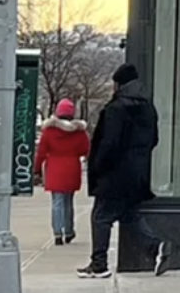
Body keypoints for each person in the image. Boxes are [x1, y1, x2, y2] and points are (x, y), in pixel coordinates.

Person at [78, 64, 169, 279]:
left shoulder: (116, 109)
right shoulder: (148, 108)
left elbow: (109, 143)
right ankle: (157, 247)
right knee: (129, 216)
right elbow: (154, 140)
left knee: (101, 217)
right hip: (137, 174)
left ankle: (99, 264)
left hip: (114, 175)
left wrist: (98, 166)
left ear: (119, 84)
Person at [34, 99, 90, 245]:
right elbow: (85, 150)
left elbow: (41, 152)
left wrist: (37, 169)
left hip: (54, 167)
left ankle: (57, 233)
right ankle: (69, 231)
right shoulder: (79, 132)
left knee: (57, 202)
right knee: (68, 202)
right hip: (72, 168)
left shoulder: (49, 131)